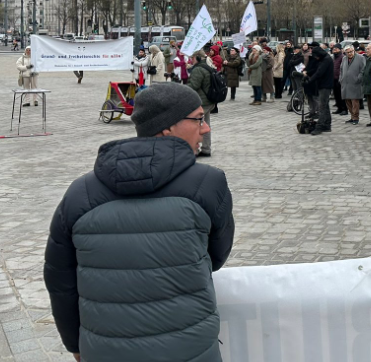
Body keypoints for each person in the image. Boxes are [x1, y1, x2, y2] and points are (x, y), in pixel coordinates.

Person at [44, 82, 234, 362]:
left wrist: (75, 344)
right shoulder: (208, 184)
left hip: (106, 351)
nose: (205, 128)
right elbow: (216, 256)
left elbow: (60, 279)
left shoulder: (80, 193)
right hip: (189, 348)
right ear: (167, 128)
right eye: (198, 119)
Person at [187, 50, 215, 157]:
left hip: (202, 101)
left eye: (192, 58)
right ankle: (206, 148)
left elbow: (194, 85)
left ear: (198, 58)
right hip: (208, 100)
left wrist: (181, 87)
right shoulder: (207, 66)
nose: (191, 60)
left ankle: (194, 149)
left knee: (194, 125)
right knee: (205, 125)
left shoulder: (198, 69)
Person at [307, 44, 335, 135]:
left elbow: (319, 72)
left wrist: (310, 80)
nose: (316, 58)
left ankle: (320, 126)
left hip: (325, 85)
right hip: (323, 84)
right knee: (325, 106)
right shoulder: (324, 59)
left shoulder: (326, 60)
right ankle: (327, 125)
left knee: (322, 106)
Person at [340, 45, 365, 124]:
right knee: (347, 101)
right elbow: (341, 69)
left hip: (355, 83)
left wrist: (358, 78)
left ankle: (356, 118)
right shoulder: (344, 58)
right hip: (345, 83)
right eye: (347, 52)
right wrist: (341, 79)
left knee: (355, 101)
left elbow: (363, 70)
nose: (349, 53)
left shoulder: (360, 58)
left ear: (354, 50)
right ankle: (352, 116)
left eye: (351, 51)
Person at [331, 45, 347, 115]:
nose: (334, 50)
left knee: (341, 95)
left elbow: (344, 68)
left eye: (336, 49)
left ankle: (344, 109)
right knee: (336, 95)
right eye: (334, 49)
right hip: (334, 78)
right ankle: (339, 108)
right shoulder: (334, 57)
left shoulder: (342, 57)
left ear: (340, 49)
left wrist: (341, 77)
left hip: (340, 78)